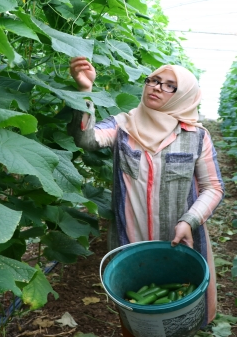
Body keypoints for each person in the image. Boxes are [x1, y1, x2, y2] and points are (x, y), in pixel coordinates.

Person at [68, 56, 225, 333]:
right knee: (135, 309)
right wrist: (84, 91)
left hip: (179, 239)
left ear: (184, 95)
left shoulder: (197, 136)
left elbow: (213, 187)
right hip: (131, 238)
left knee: (180, 309)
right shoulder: (123, 125)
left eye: (169, 86)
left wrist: (189, 220)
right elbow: (86, 139)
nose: (156, 87)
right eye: (153, 80)